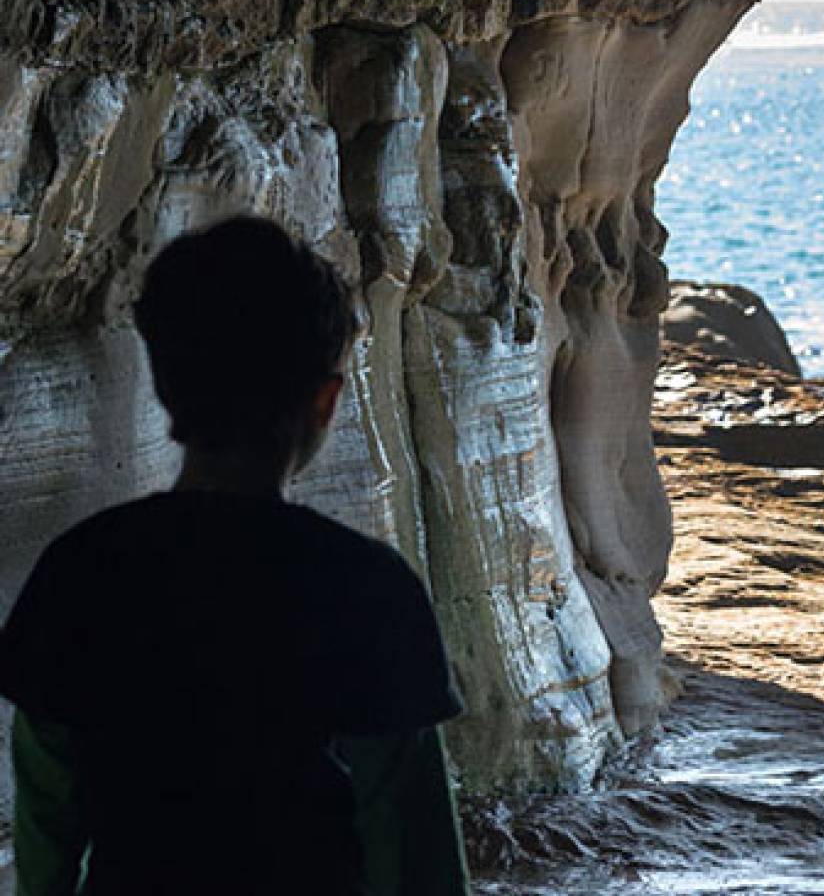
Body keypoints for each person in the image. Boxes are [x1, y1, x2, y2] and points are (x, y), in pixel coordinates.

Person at [0, 217, 471, 895]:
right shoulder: (368, 589)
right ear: (325, 400)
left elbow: (46, 829)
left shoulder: (83, 569)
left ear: (165, 385)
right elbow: (412, 845)